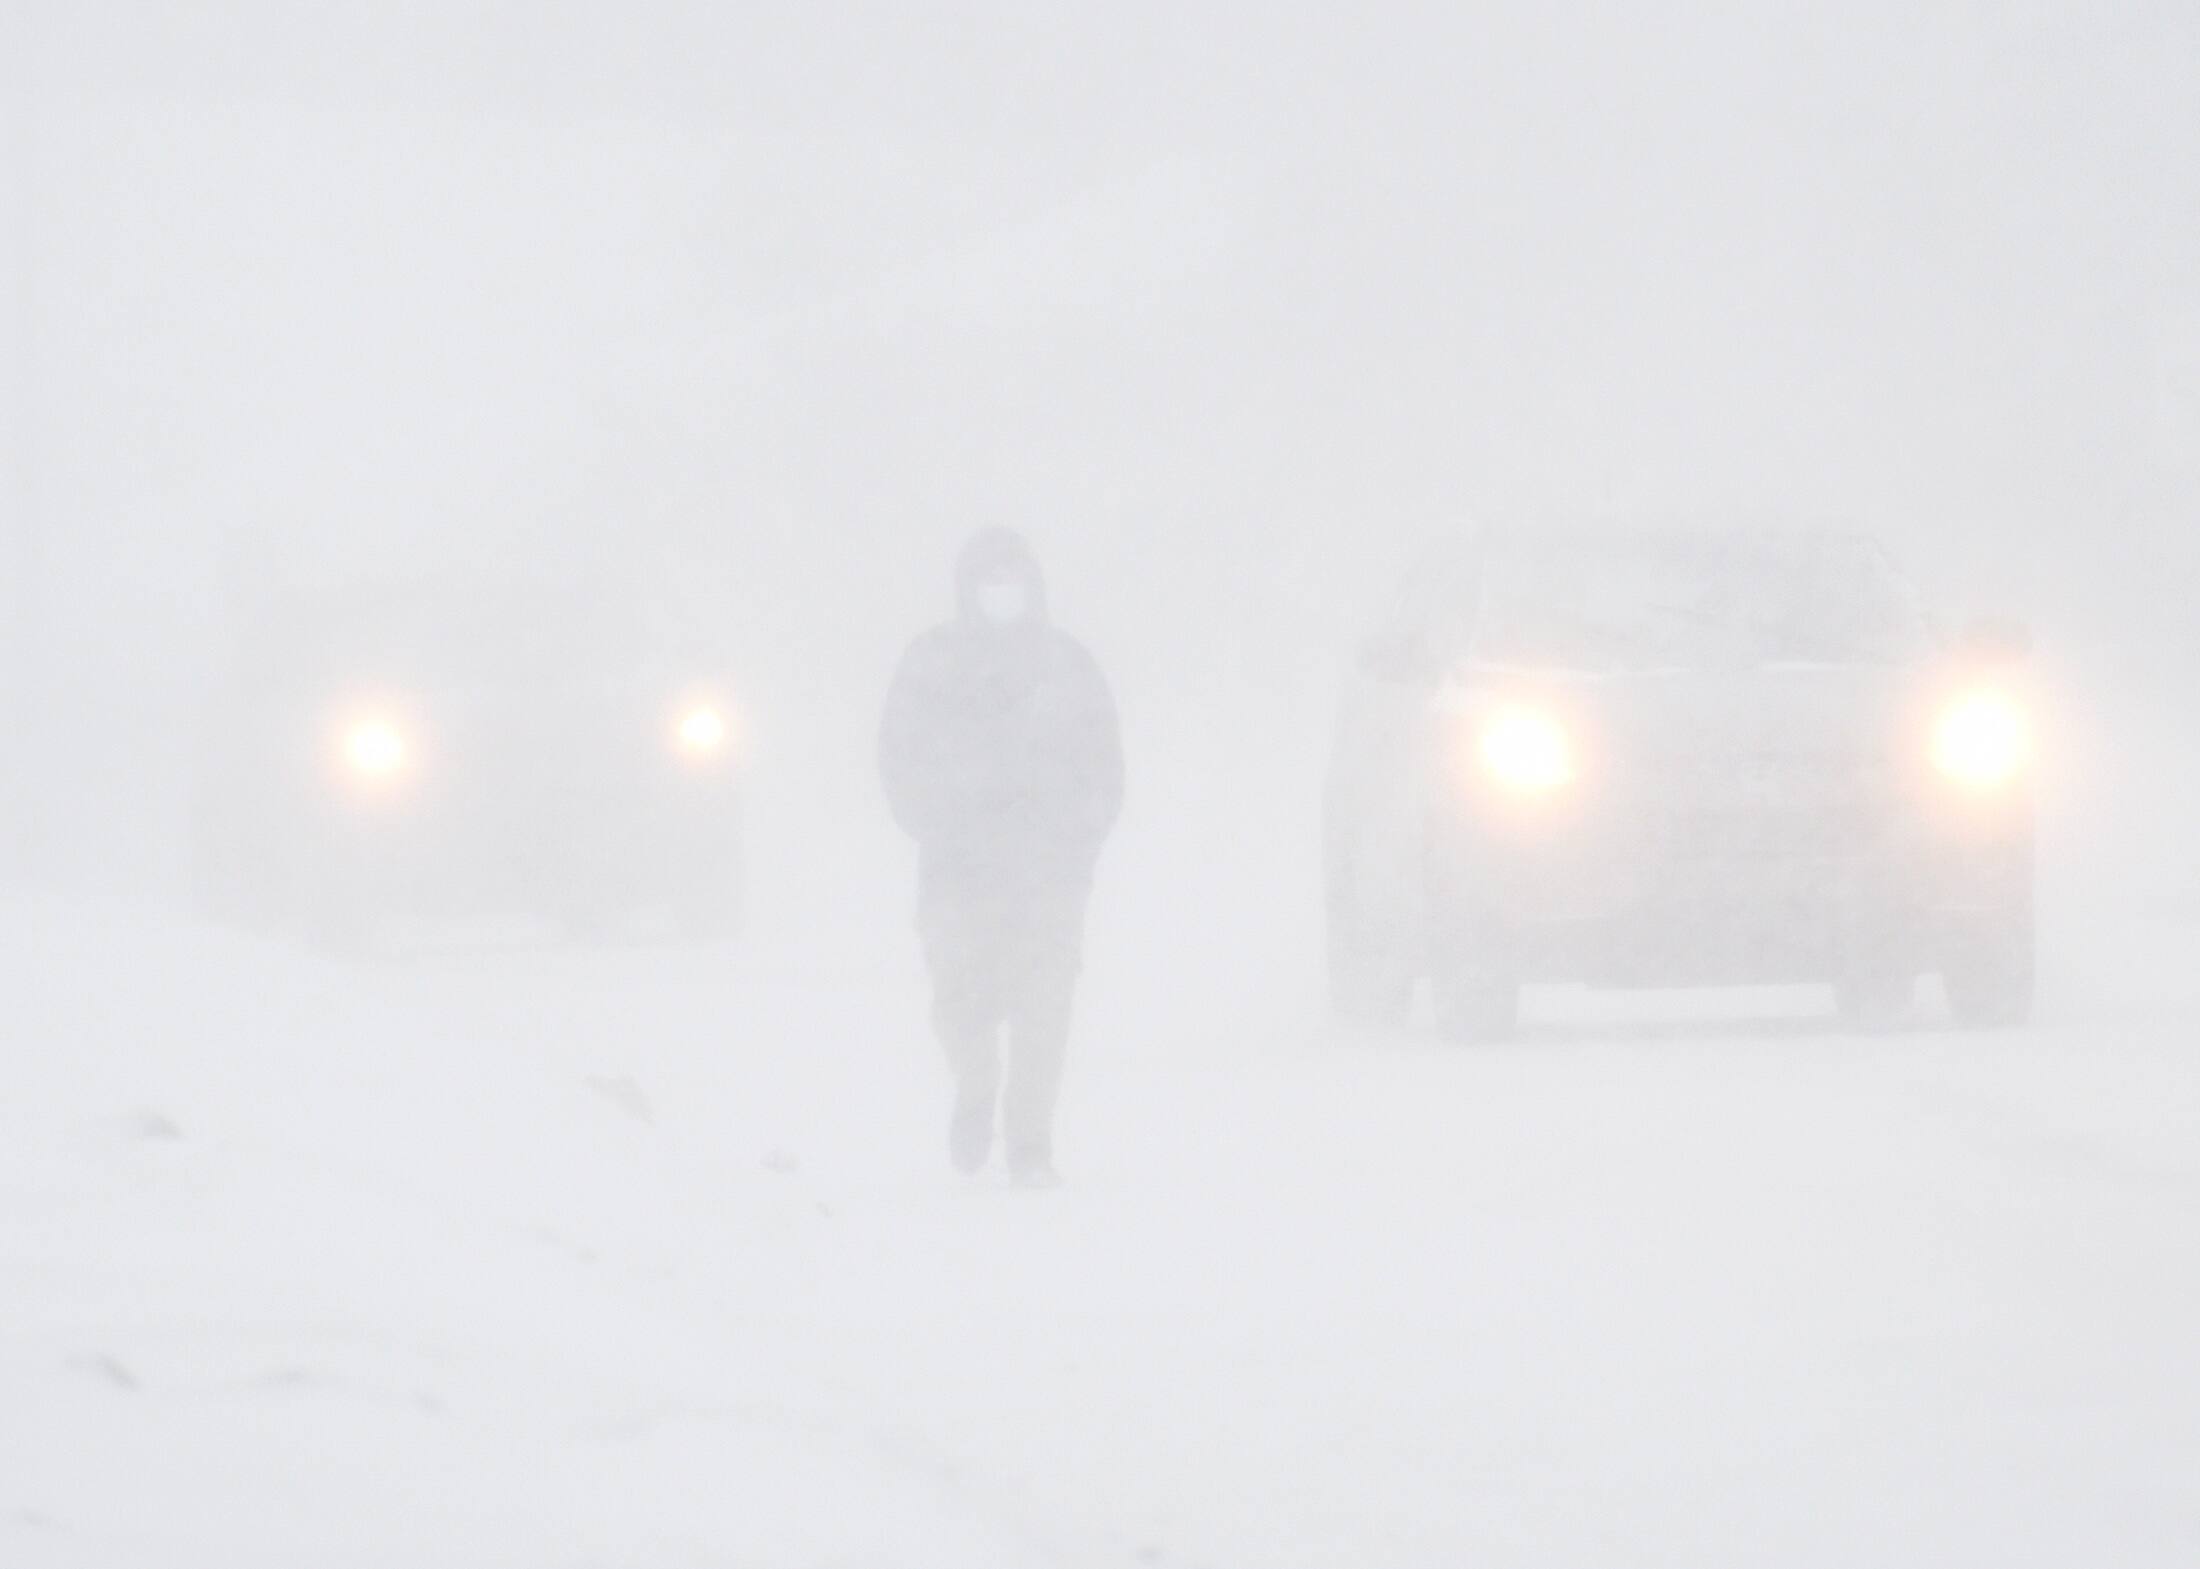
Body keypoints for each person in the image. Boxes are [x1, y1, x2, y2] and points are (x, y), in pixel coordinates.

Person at [878, 528, 1124, 1186]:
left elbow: (1105, 767)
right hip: (956, 873)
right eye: (989, 581)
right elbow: (898, 758)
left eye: (1012, 580)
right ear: (965, 589)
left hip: (1049, 875)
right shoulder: (931, 663)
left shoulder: (1069, 667)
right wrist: (942, 821)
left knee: (1045, 1008)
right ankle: (976, 1084)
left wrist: (1077, 839)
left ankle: (1030, 1144)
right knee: (959, 998)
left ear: (1035, 587)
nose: (1001, 595)